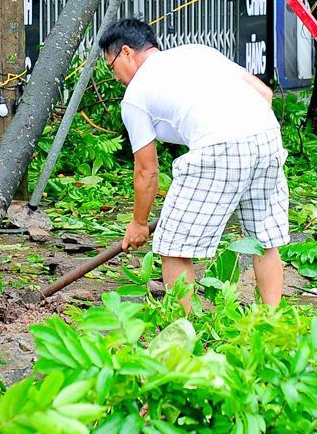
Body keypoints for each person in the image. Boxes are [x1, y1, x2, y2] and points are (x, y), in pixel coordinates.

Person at [99, 18, 289, 308]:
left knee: (172, 247)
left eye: (112, 67)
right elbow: (264, 93)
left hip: (220, 146)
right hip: (266, 136)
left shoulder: (135, 95)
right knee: (264, 240)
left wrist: (138, 224)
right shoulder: (198, 52)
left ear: (126, 52)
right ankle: (273, 322)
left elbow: (147, 171)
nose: (115, 77)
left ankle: (186, 334)